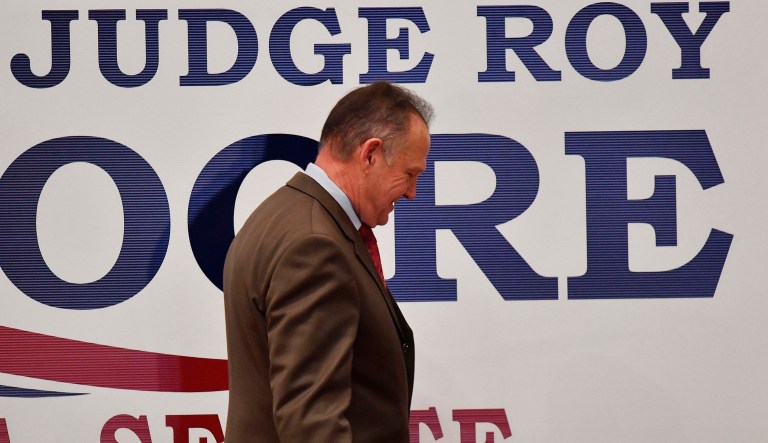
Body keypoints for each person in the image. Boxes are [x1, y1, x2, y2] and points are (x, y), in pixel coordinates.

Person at [223, 81, 433, 442]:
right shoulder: (315, 245)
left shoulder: (280, 216)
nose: (412, 193)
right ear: (370, 154)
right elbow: (313, 422)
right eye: (409, 174)